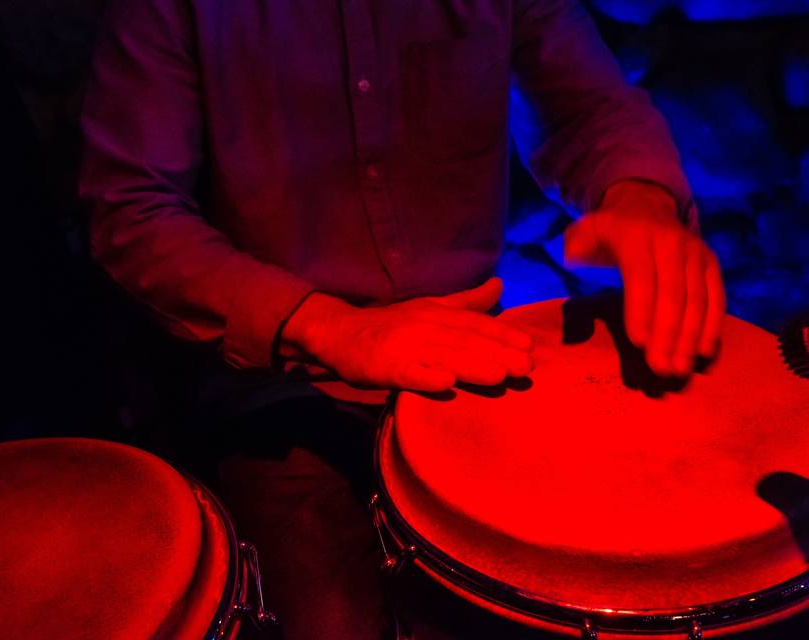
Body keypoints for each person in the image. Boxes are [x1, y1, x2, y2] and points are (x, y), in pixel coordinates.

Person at [79, 1, 725, 638]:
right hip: (284, 386)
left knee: (622, 572)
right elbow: (133, 211)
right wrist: (337, 330)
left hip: (472, 355)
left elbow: (585, 110)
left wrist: (639, 197)